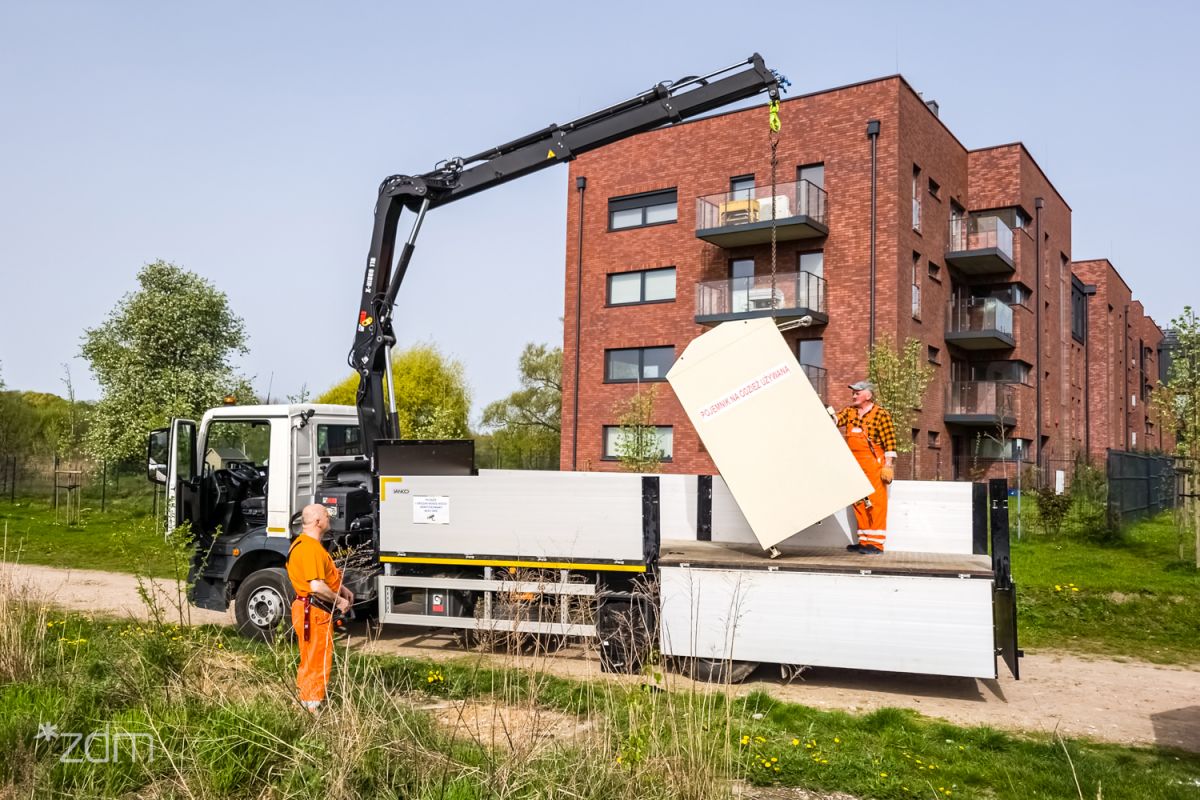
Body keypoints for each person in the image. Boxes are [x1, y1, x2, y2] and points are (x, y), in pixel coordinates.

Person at [286, 503, 354, 712]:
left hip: (309, 610)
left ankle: (304, 701)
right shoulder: (310, 548)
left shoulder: (303, 544)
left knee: (309, 658)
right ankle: (312, 708)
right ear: (317, 521)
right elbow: (316, 586)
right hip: (314, 612)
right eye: (326, 515)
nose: (329, 518)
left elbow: (316, 577)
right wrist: (339, 601)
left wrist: (339, 587)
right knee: (317, 660)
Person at [831, 380, 896, 554]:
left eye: (857, 393)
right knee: (858, 502)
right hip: (855, 464)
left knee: (876, 503)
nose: (853, 396)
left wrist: (888, 465)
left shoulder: (881, 414)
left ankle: (876, 544)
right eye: (853, 393)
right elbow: (836, 419)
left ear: (868, 395)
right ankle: (864, 541)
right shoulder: (850, 412)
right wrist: (826, 413)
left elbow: (890, 442)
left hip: (874, 464)